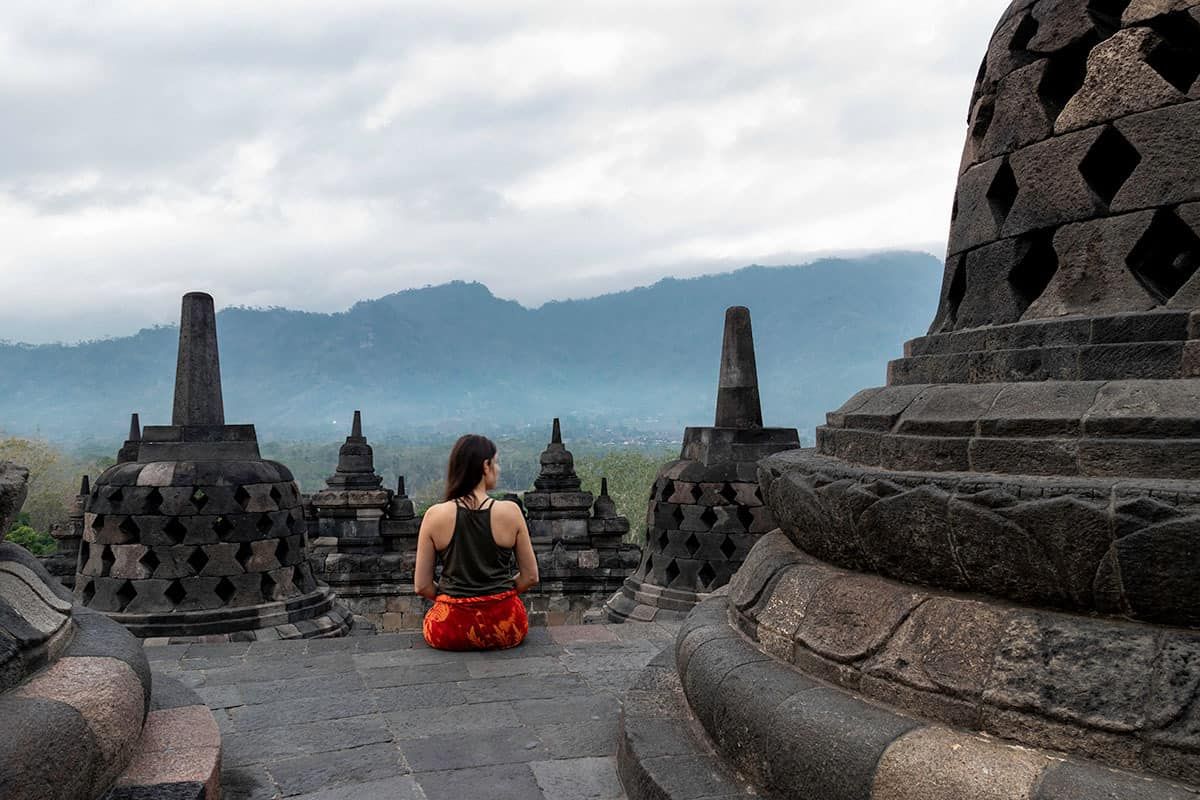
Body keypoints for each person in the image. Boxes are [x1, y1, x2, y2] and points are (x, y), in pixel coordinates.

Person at [414, 434, 539, 650]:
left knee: (440, 619)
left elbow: (422, 585)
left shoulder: (435, 516)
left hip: (450, 628)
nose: (498, 469)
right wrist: (498, 596)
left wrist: (454, 600)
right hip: (506, 626)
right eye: (496, 462)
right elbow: (530, 577)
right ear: (485, 466)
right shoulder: (510, 512)